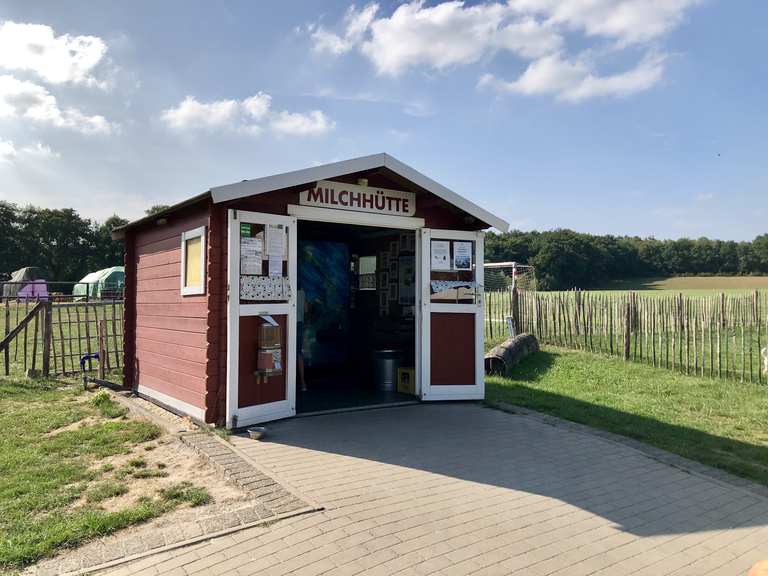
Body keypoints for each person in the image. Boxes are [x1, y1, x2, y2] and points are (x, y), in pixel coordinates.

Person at [297, 288, 307, 392]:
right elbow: (306, 309)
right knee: (299, 353)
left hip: (289, 321)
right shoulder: (302, 292)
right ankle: (303, 382)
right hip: (299, 323)